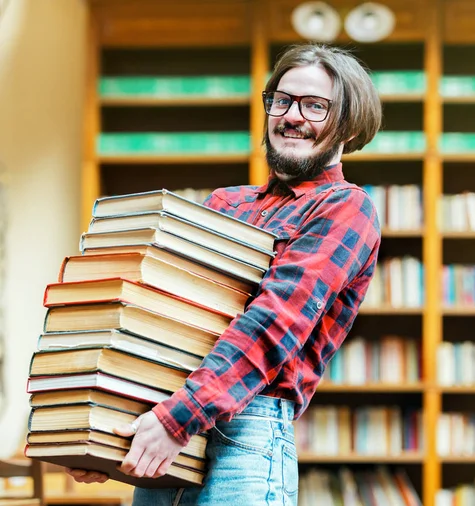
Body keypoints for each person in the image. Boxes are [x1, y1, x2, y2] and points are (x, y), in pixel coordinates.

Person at [66, 43, 383, 506]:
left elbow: (273, 326)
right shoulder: (226, 204)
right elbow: (166, 318)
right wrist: (103, 433)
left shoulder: (347, 207)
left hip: (243, 436)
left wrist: (177, 419)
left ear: (349, 124)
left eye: (316, 106)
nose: (293, 115)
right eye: (282, 99)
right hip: (169, 418)